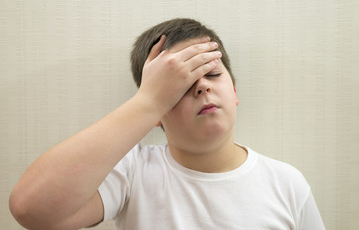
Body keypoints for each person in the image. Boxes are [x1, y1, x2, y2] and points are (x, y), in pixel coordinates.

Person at [9, 18, 325, 230]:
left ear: (235, 91)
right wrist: (148, 103)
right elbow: (31, 209)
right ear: (157, 112)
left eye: (213, 74)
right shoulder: (133, 172)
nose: (202, 86)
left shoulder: (287, 183)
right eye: (180, 86)